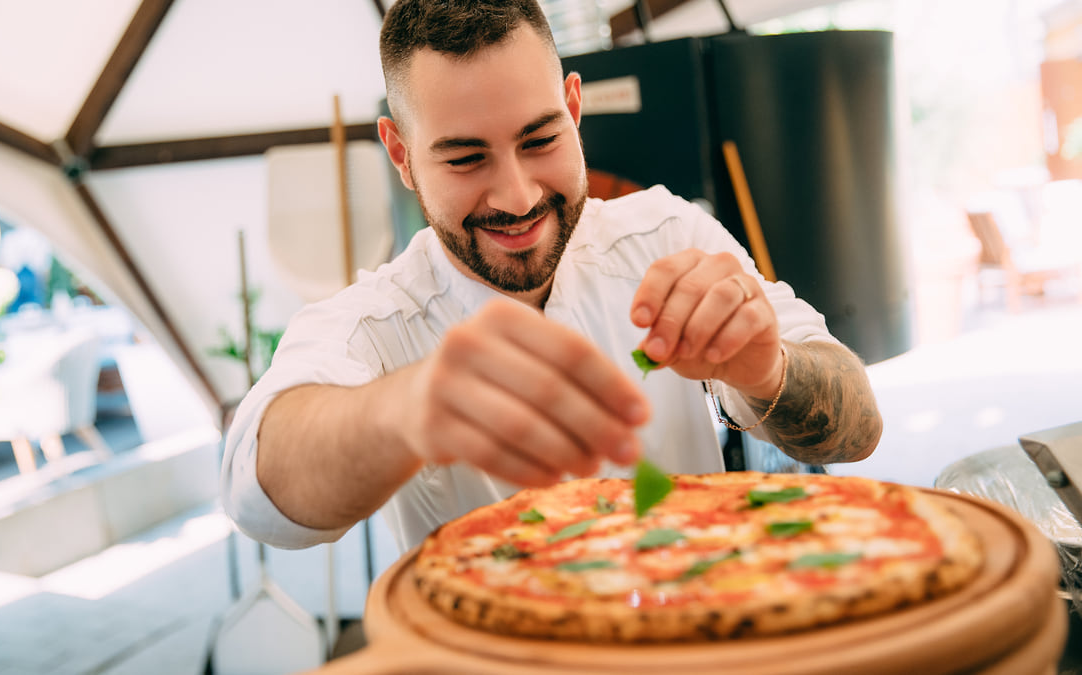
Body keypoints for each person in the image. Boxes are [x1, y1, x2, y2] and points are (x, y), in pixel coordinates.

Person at [221, 0, 883, 553]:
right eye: (466, 159)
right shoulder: (376, 323)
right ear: (401, 153)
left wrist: (768, 372)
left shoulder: (667, 232)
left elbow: (859, 429)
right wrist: (406, 406)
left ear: (573, 107)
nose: (515, 196)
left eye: (540, 140)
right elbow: (257, 495)